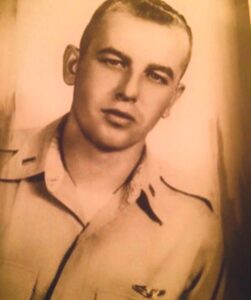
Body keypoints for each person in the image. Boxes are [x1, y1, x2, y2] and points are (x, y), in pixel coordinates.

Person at [0, 0, 224, 299]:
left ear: (173, 99)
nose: (129, 91)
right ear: (72, 66)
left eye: (156, 76)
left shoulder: (195, 230)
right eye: (113, 61)